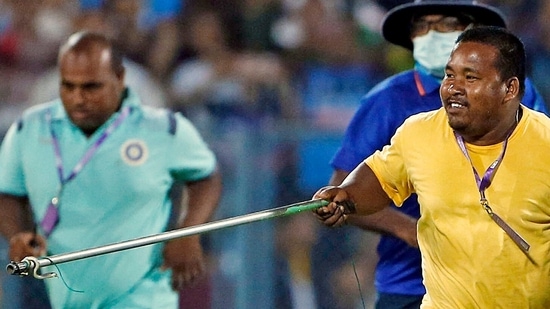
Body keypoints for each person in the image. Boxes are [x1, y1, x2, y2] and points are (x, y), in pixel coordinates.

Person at [310, 1, 548, 308]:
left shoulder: (537, 125)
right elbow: (370, 181)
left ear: (510, 90)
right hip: (412, 283)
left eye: (470, 78)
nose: (453, 88)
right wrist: (349, 199)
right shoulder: (405, 118)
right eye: (450, 76)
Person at [0, 31, 222, 309]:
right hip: (59, 288)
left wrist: (189, 233)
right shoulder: (28, 128)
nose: (78, 99)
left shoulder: (163, 128)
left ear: (119, 79)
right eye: (68, 87)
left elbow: (205, 177)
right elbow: (7, 192)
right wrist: (17, 234)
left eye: (92, 87)